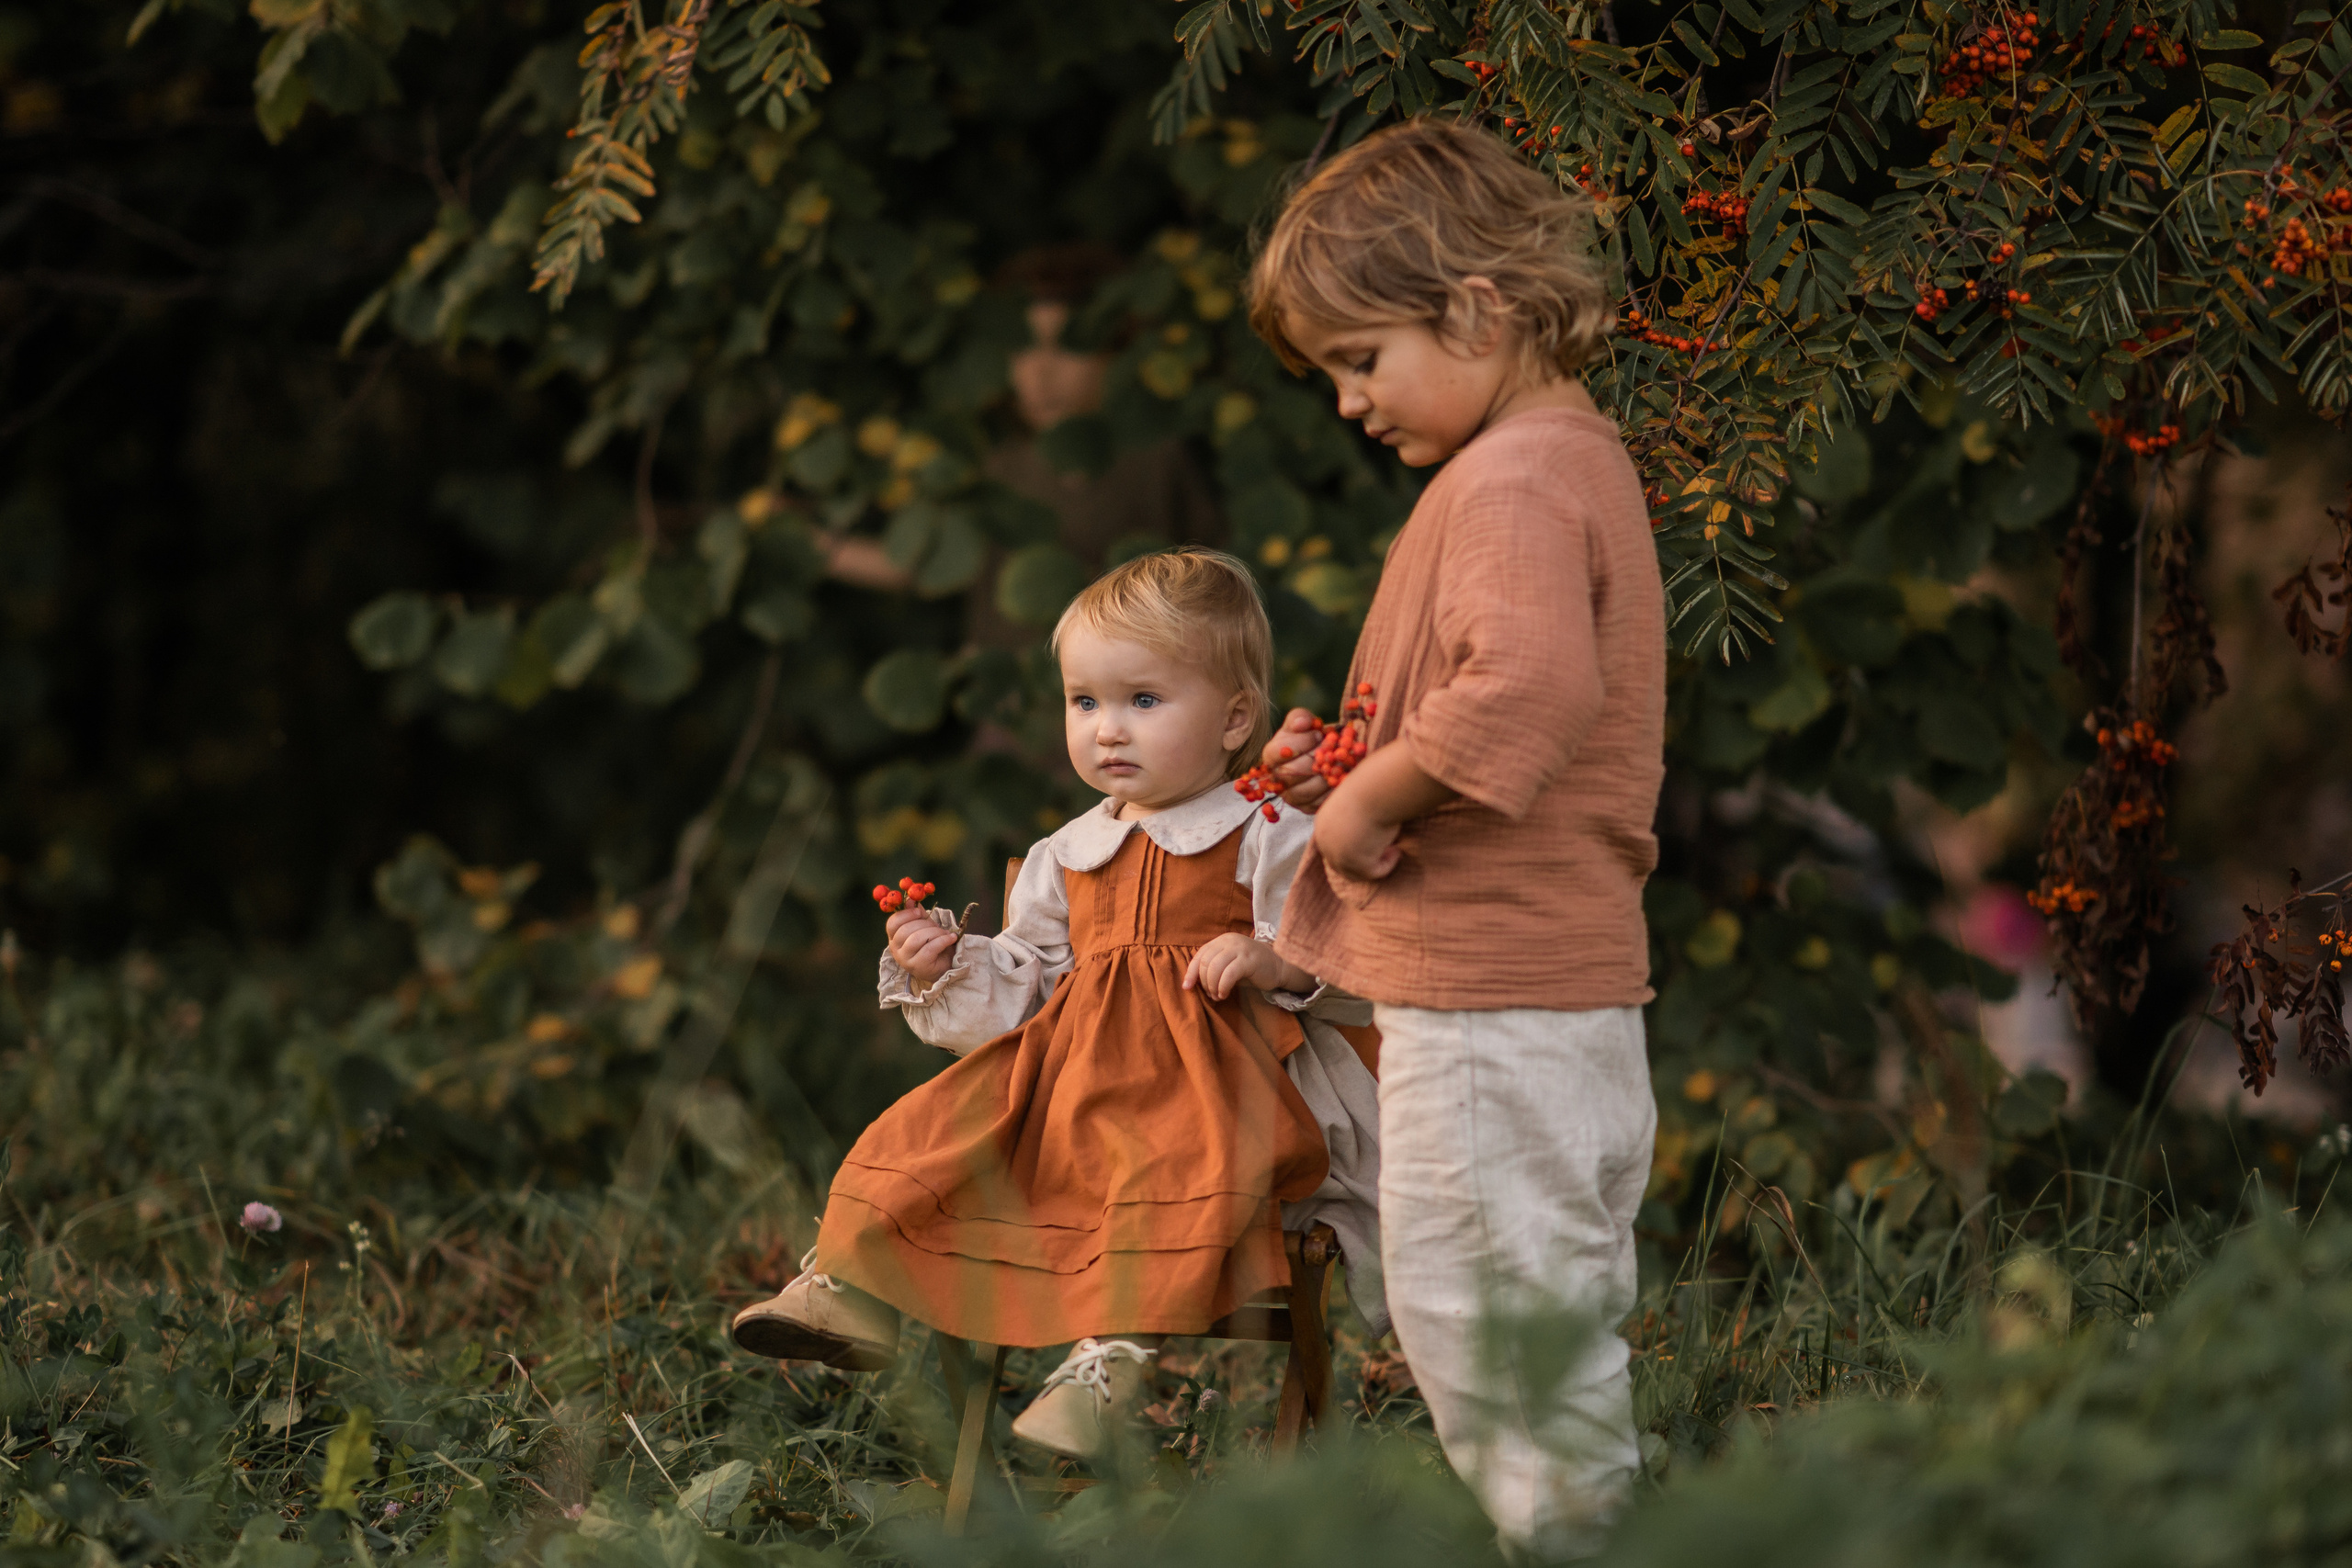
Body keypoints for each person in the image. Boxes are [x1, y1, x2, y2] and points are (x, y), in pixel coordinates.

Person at [1244, 119, 1665, 1559]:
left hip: (1494, 1009)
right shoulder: (1566, 459)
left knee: (1487, 1326)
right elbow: (1505, 701)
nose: (1350, 401)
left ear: (1475, 310)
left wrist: (1370, 803)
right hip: (1565, 996)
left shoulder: (1507, 481)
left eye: (1364, 359)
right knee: (1539, 1319)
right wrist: (1348, 767)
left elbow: (1534, 685)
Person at [729, 548, 1385, 1462]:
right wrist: (948, 963)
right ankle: (851, 1285)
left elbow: (1350, 946)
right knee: (940, 1125)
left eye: (1143, 702)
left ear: (1236, 718)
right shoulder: (1065, 851)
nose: (1107, 729)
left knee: (1161, 1155)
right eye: (1085, 703)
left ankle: (1110, 1363)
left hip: (1214, 1082)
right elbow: (1027, 981)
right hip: (1069, 1082)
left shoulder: (1268, 828)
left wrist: (1269, 957)